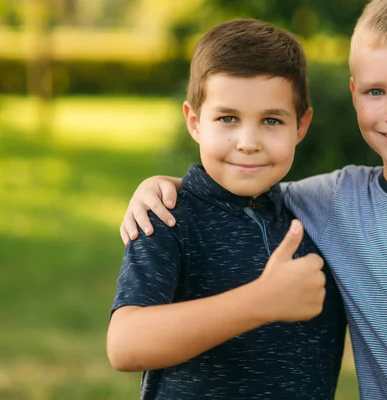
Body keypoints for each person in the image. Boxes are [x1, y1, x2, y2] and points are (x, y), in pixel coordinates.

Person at [119, 1, 387, 399]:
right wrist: (162, 184)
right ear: (355, 95)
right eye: (376, 91)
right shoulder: (335, 199)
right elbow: (238, 185)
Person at [107, 19, 347, 400]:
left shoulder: (316, 215)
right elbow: (125, 344)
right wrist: (261, 301)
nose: (248, 142)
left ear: (301, 125)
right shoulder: (168, 216)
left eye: (271, 120)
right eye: (228, 118)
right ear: (194, 121)